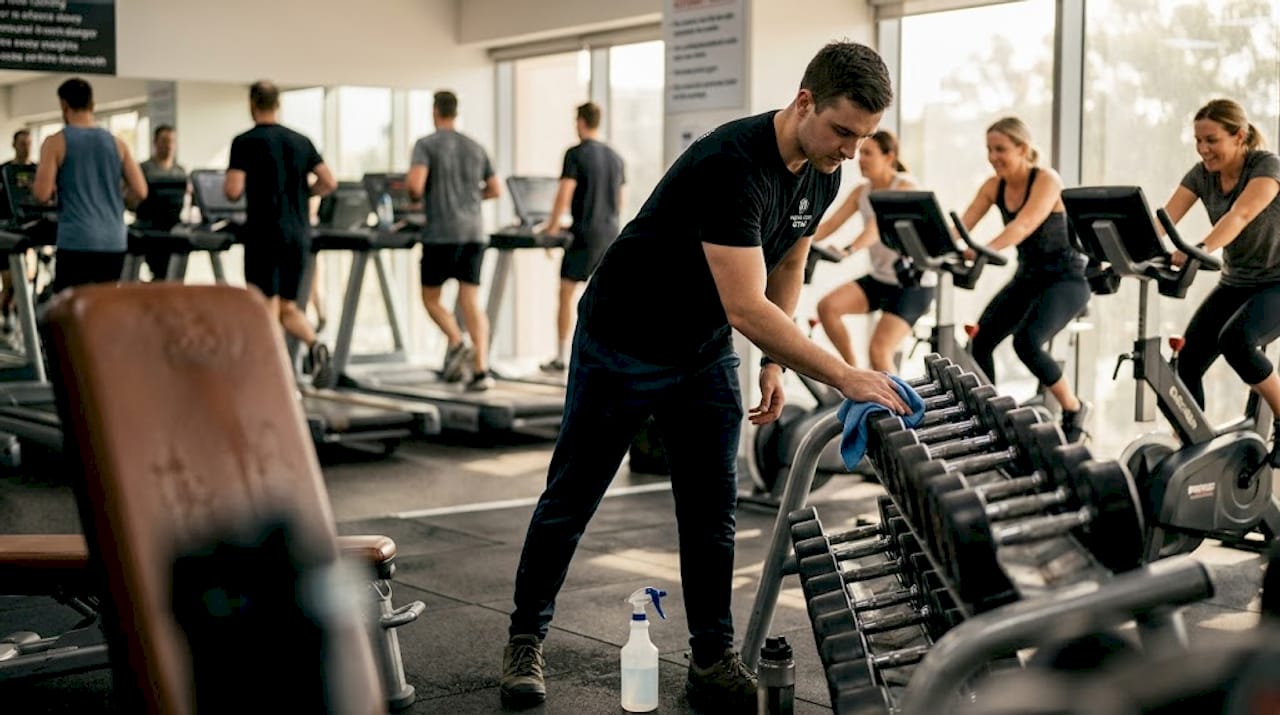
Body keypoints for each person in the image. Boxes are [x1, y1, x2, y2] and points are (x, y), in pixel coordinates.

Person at [500, 41, 909, 712]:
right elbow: (746, 305)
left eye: (862, 138)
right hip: (622, 339)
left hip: (701, 349)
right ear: (805, 100)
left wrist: (778, 361)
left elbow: (787, 268)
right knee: (573, 495)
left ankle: (713, 658)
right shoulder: (732, 164)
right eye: (842, 131)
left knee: (711, 509)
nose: (849, 149)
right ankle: (524, 636)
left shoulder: (822, 170)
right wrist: (842, 375)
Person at [955, 116, 1091, 442]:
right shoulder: (993, 186)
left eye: (1000, 149)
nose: (993, 157)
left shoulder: (1046, 180)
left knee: (1026, 342)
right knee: (980, 342)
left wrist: (981, 251)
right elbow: (963, 225)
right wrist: (938, 247)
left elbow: (1023, 226)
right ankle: (990, 415)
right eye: (989, 149)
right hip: (1028, 277)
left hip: (1067, 279)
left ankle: (1073, 408)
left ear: (1023, 149)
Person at [1162, 99, 1280, 465]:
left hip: (1277, 281)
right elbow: (1165, 217)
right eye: (1198, 141)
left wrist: (1199, 248)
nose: (1203, 149)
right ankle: (1191, 448)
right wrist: (1119, 250)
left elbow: (1241, 214)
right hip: (1237, 281)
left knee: (1237, 341)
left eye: (1211, 140)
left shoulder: (1266, 166)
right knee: (1186, 364)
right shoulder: (1202, 174)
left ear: (1240, 136)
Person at [224, 80, 337, 387]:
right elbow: (329, 181)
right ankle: (316, 345)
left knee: (266, 307)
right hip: (298, 234)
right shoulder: (301, 141)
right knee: (289, 306)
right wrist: (304, 193)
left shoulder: (245, 142)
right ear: (278, 104)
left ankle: (273, 378)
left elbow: (233, 190)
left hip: (264, 233)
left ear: (252, 104)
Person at [813, 130, 934, 371]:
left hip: (913, 285)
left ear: (889, 157)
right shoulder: (862, 192)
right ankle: (853, 373)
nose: (860, 158)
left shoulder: (905, 187)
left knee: (879, 351)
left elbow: (876, 227)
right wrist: (792, 240)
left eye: (868, 153)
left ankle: (902, 409)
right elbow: (828, 225)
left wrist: (849, 249)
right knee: (828, 307)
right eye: (860, 153)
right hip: (881, 279)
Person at [406, 90, 501, 392]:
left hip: (441, 234)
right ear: (456, 112)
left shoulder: (426, 144)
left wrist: (416, 200)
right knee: (470, 301)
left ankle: (458, 342)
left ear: (435, 111)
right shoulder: (476, 147)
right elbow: (495, 189)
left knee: (430, 298)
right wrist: (471, 198)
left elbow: (415, 186)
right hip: (474, 233)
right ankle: (481, 369)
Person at [32, 78, 147, 294]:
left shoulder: (56, 142)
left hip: (78, 240)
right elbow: (140, 190)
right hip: (114, 241)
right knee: (101, 311)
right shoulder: (117, 143)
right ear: (92, 105)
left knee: (70, 314)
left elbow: (41, 193)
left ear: (64, 105)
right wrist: (113, 197)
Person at [537, 101, 625, 373]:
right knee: (606, 298)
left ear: (581, 122)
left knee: (566, 292)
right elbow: (620, 201)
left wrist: (551, 229)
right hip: (610, 234)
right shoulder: (615, 157)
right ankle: (610, 355)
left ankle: (561, 356)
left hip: (584, 234)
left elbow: (565, 193)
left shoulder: (575, 154)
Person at [134, 124, 189, 280]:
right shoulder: (144, 169)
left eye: (172, 141)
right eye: (164, 141)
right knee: (160, 272)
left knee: (175, 272)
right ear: (155, 143)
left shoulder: (180, 171)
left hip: (175, 227)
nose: (169, 145)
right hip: (149, 227)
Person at [0, 129, 36, 330]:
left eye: (29, 143)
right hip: (6, 234)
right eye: (22, 143)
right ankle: (7, 315)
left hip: (30, 233)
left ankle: (13, 313)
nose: (26, 147)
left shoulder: (37, 171)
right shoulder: (4, 170)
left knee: (23, 280)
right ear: (14, 145)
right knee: (9, 280)